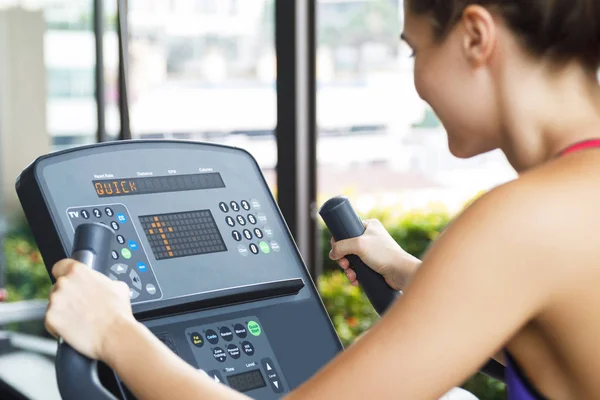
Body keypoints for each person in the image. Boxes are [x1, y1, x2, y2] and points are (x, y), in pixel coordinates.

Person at [45, 0, 600, 398]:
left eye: (415, 52)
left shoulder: (518, 223)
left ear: (475, 36)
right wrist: (415, 273)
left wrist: (113, 330)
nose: (420, 80)